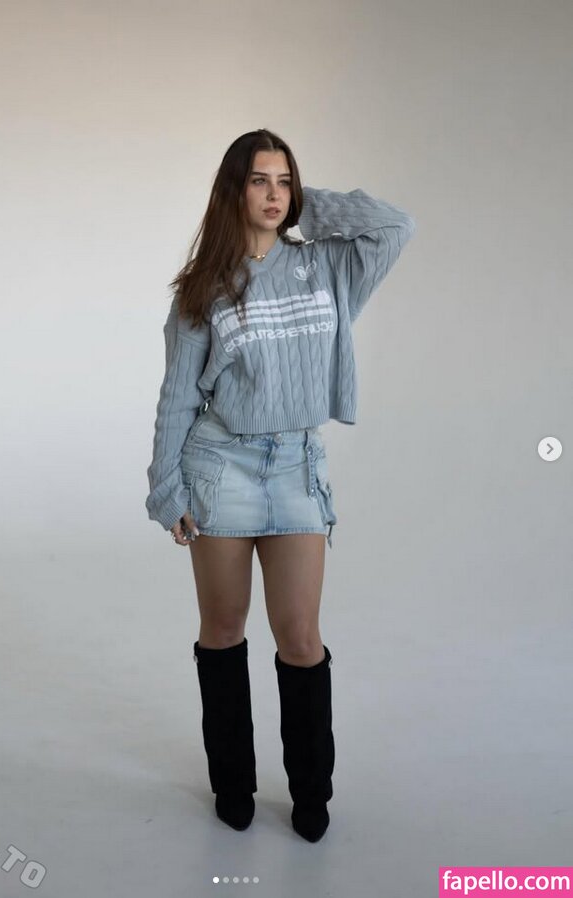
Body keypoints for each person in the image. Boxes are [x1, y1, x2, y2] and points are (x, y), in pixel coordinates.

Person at [145, 128, 416, 842]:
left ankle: (311, 794)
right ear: (233, 190)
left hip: (296, 469)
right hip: (220, 469)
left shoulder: (326, 266)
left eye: (284, 181)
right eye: (259, 181)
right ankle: (232, 784)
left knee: (299, 636)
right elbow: (177, 395)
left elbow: (395, 225)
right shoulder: (202, 288)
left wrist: (305, 208)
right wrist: (165, 488)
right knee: (223, 630)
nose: (273, 194)